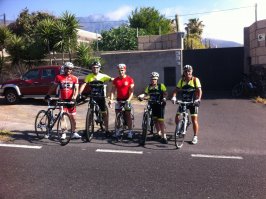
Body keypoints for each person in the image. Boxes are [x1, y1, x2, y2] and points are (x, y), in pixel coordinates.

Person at [45, 62, 81, 139]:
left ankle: (74, 132)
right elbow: (54, 87)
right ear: (64, 68)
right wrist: (48, 94)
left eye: (70, 69)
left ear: (72, 70)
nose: (68, 70)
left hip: (71, 100)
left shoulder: (75, 78)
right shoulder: (58, 77)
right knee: (62, 116)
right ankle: (63, 132)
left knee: (73, 118)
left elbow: (76, 89)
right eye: (67, 68)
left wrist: (74, 98)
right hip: (62, 99)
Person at [79, 61, 113, 137]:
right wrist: (79, 93)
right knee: (90, 113)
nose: (95, 69)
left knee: (104, 113)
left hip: (101, 97)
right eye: (93, 67)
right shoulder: (88, 76)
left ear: (99, 68)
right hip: (92, 97)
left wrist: (115, 80)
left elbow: (111, 79)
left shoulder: (103, 76)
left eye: (97, 67)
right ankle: (87, 129)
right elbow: (84, 84)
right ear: (92, 68)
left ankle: (107, 130)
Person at [171, 64, 202, 144]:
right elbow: (175, 90)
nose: (187, 72)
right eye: (186, 71)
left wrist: (198, 99)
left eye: (189, 71)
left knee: (194, 120)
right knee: (177, 117)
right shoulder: (181, 81)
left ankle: (195, 137)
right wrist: (174, 97)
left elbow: (199, 90)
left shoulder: (195, 80)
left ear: (191, 71)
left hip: (193, 102)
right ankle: (179, 128)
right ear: (184, 72)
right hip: (183, 102)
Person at [138, 72, 168, 144]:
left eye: (154, 79)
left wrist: (164, 98)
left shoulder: (161, 86)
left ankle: (164, 136)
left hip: (159, 105)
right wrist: (142, 97)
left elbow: (165, 93)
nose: (153, 80)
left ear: (157, 79)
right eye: (152, 79)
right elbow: (146, 94)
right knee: (155, 120)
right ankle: (158, 133)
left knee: (160, 121)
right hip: (152, 105)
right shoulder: (149, 87)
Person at [108, 63, 135, 139]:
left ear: (125, 70)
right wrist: (111, 99)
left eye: (122, 70)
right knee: (117, 116)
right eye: (119, 70)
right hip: (119, 100)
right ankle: (118, 130)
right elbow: (113, 91)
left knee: (127, 115)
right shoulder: (116, 80)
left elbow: (132, 92)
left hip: (127, 100)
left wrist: (128, 100)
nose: (121, 72)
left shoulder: (130, 79)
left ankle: (130, 131)